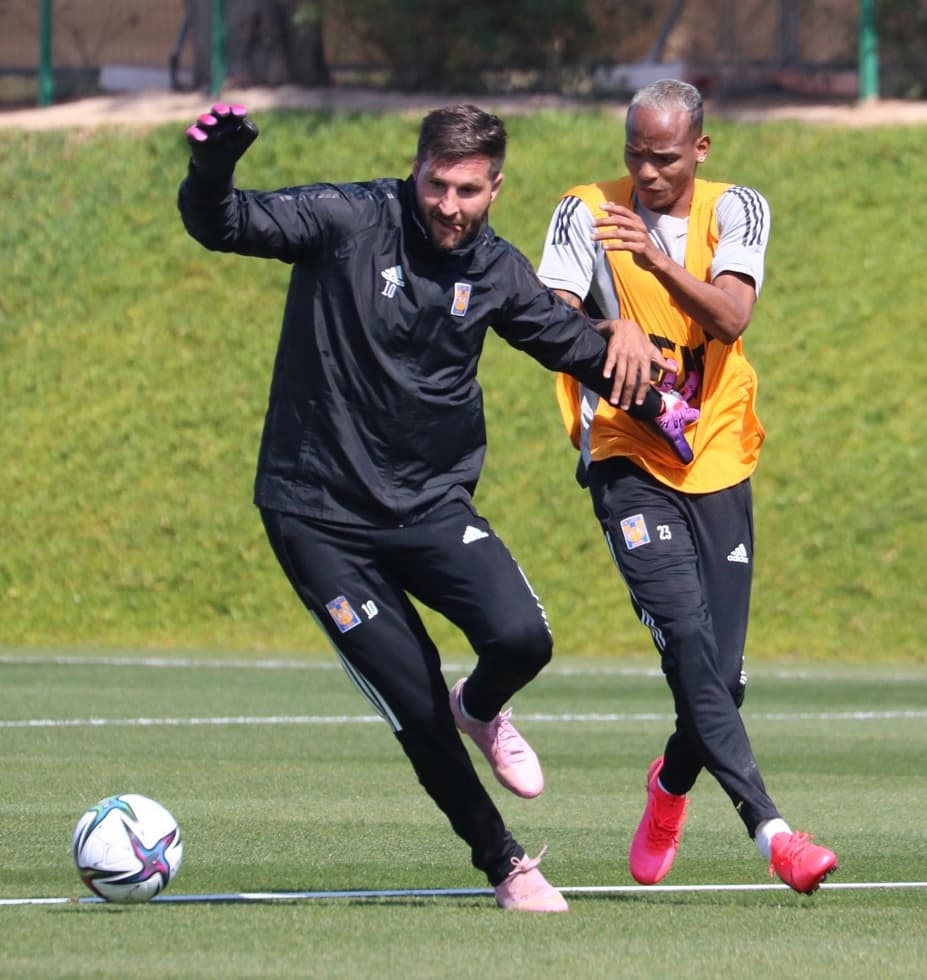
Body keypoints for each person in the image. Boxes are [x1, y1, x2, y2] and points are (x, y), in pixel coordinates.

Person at [178, 101, 678, 912]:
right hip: (318, 517)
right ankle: (507, 865)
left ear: (495, 189)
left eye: (468, 191)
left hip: (429, 507)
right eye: (436, 185)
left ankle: (479, 706)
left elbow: (568, 342)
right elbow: (224, 222)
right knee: (413, 702)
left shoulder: (495, 269)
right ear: (415, 171)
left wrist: (641, 370)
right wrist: (211, 170)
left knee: (522, 638)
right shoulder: (346, 219)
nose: (449, 206)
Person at [537, 79, 838, 894]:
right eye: (634, 153)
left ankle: (669, 785)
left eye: (664, 157)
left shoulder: (737, 208)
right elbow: (542, 319)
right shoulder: (584, 210)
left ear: (699, 150)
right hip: (626, 456)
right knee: (687, 646)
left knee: (722, 679)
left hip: (716, 458)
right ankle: (773, 834)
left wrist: (656, 263)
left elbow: (731, 317)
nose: (646, 171)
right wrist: (609, 326)